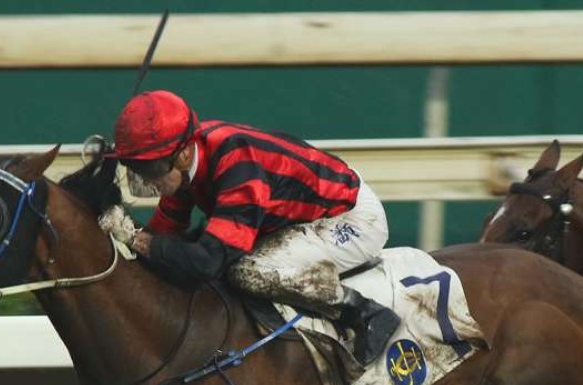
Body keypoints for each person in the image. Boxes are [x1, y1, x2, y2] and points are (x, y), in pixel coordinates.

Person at [112, 89, 400, 366]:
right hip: (301, 213)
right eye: (136, 169)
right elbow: (162, 236)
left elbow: (208, 261)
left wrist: (135, 238)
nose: (146, 180)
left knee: (246, 271)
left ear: (184, 154)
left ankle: (366, 314)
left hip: (350, 220)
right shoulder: (186, 166)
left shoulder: (239, 167)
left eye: (150, 169)